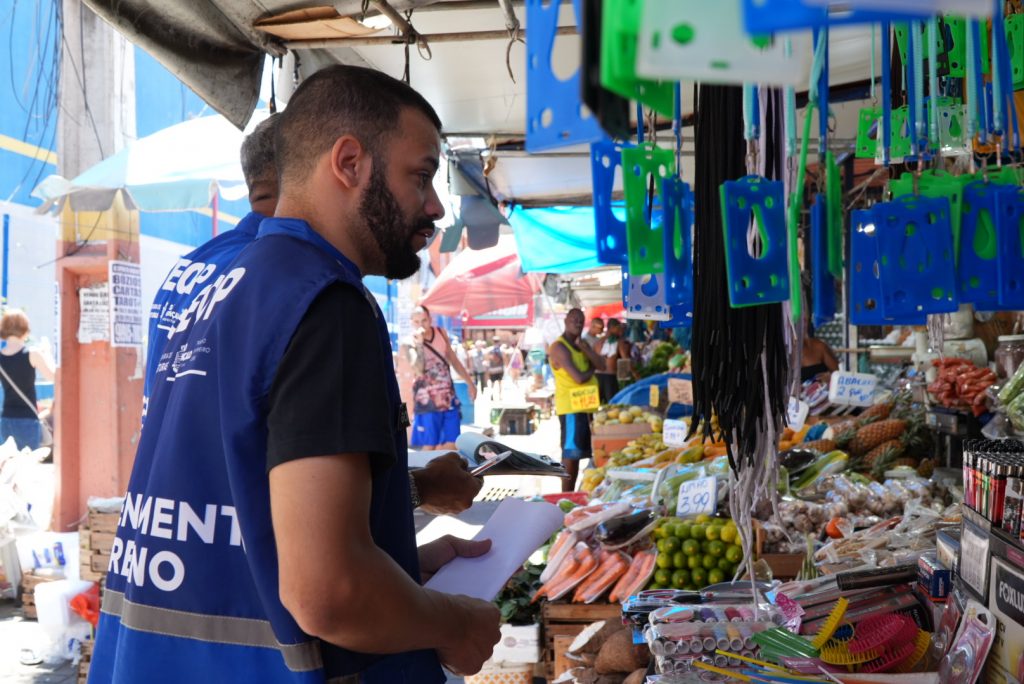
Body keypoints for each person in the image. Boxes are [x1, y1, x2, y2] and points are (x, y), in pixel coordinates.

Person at [89, 65, 500, 684]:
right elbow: (328, 593)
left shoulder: (213, 285)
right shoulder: (324, 303)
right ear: (349, 162)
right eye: (420, 176)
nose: (436, 207)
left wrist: (397, 565)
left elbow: (246, 509)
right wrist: (455, 626)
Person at [144, 113, 479, 516]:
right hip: (256, 552)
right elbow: (314, 518)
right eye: (418, 177)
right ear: (331, 170)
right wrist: (419, 489)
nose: (433, 207)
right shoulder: (309, 286)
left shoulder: (191, 270)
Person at [548, 308, 605, 492]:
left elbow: (602, 365)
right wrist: (592, 371)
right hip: (571, 409)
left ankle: (572, 493)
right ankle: (565, 495)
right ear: (565, 321)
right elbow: (579, 377)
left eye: (581, 320)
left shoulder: (582, 344)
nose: (578, 323)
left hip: (586, 406)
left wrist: (585, 349)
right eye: (574, 319)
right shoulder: (559, 347)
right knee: (571, 455)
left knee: (581, 453)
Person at [409, 305, 476, 450]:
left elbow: (453, 360)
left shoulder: (440, 332)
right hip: (427, 403)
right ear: (411, 323)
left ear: (430, 319)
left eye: (424, 320)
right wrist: (419, 344)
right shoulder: (409, 342)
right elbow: (418, 370)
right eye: (417, 321)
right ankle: (429, 466)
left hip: (448, 398)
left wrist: (470, 382)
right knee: (429, 446)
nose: (421, 325)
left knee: (452, 443)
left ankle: (442, 465)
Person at [0, 309, 55, 450]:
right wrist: (48, 353)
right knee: (28, 462)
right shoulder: (32, 354)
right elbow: (54, 377)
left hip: (6, 419)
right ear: (25, 330)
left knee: (8, 462)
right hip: (27, 419)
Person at [596, 318, 632, 404]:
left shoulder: (598, 342)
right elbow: (625, 360)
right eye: (618, 328)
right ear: (612, 328)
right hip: (610, 378)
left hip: (597, 377)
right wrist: (635, 374)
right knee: (612, 405)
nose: (620, 331)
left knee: (598, 405)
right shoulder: (619, 342)